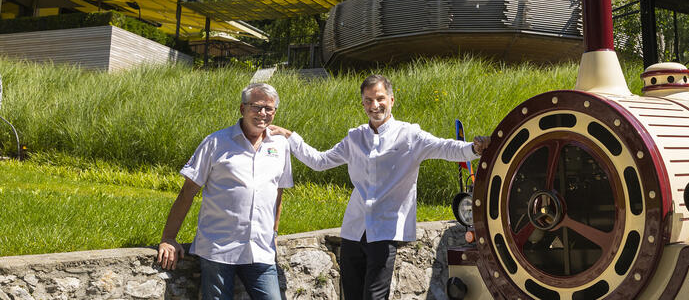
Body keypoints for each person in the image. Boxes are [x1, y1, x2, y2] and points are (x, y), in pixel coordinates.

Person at [267, 74, 489, 300]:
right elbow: (319, 162)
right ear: (362, 103)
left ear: (392, 100)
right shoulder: (355, 137)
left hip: (385, 230)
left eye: (380, 98)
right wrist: (290, 137)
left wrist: (475, 148)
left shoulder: (410, 135)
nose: (375, 105)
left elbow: (446, 148)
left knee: (374, 296)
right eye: (368, 100)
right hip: (354, 230)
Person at [157, 82, 292, 300]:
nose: (263, 113)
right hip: (218, 248)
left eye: (269, 109)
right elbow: (187, 192)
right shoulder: (215, 142)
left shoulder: (281, 145)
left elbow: (277, 192)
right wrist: (169, 237)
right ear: (242, 109)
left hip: (261, 250)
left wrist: (274, 232)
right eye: (256, 107)